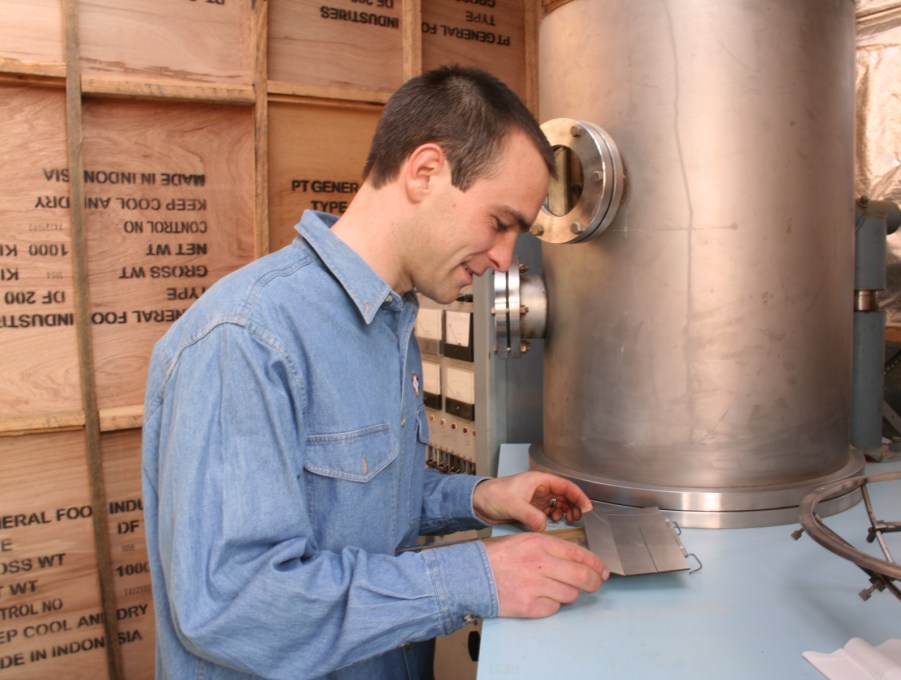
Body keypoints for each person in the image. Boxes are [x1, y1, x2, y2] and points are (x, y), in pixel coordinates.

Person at [141, 65, 609, 679]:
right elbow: (234, 605)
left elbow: (357, 502)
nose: (503, 261)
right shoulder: (246, 338)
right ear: (425, 172)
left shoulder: (390, 319)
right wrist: (475, 576)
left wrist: (479, 498)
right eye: (500, 224)